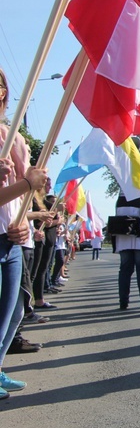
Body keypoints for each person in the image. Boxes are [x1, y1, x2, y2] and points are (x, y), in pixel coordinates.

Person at [0, 83, 49, 399]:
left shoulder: (11, 136)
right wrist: (25, 183)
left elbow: (17, 197)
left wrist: (20, 225)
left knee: (13, 313)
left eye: (1, 85)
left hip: (10, 238)